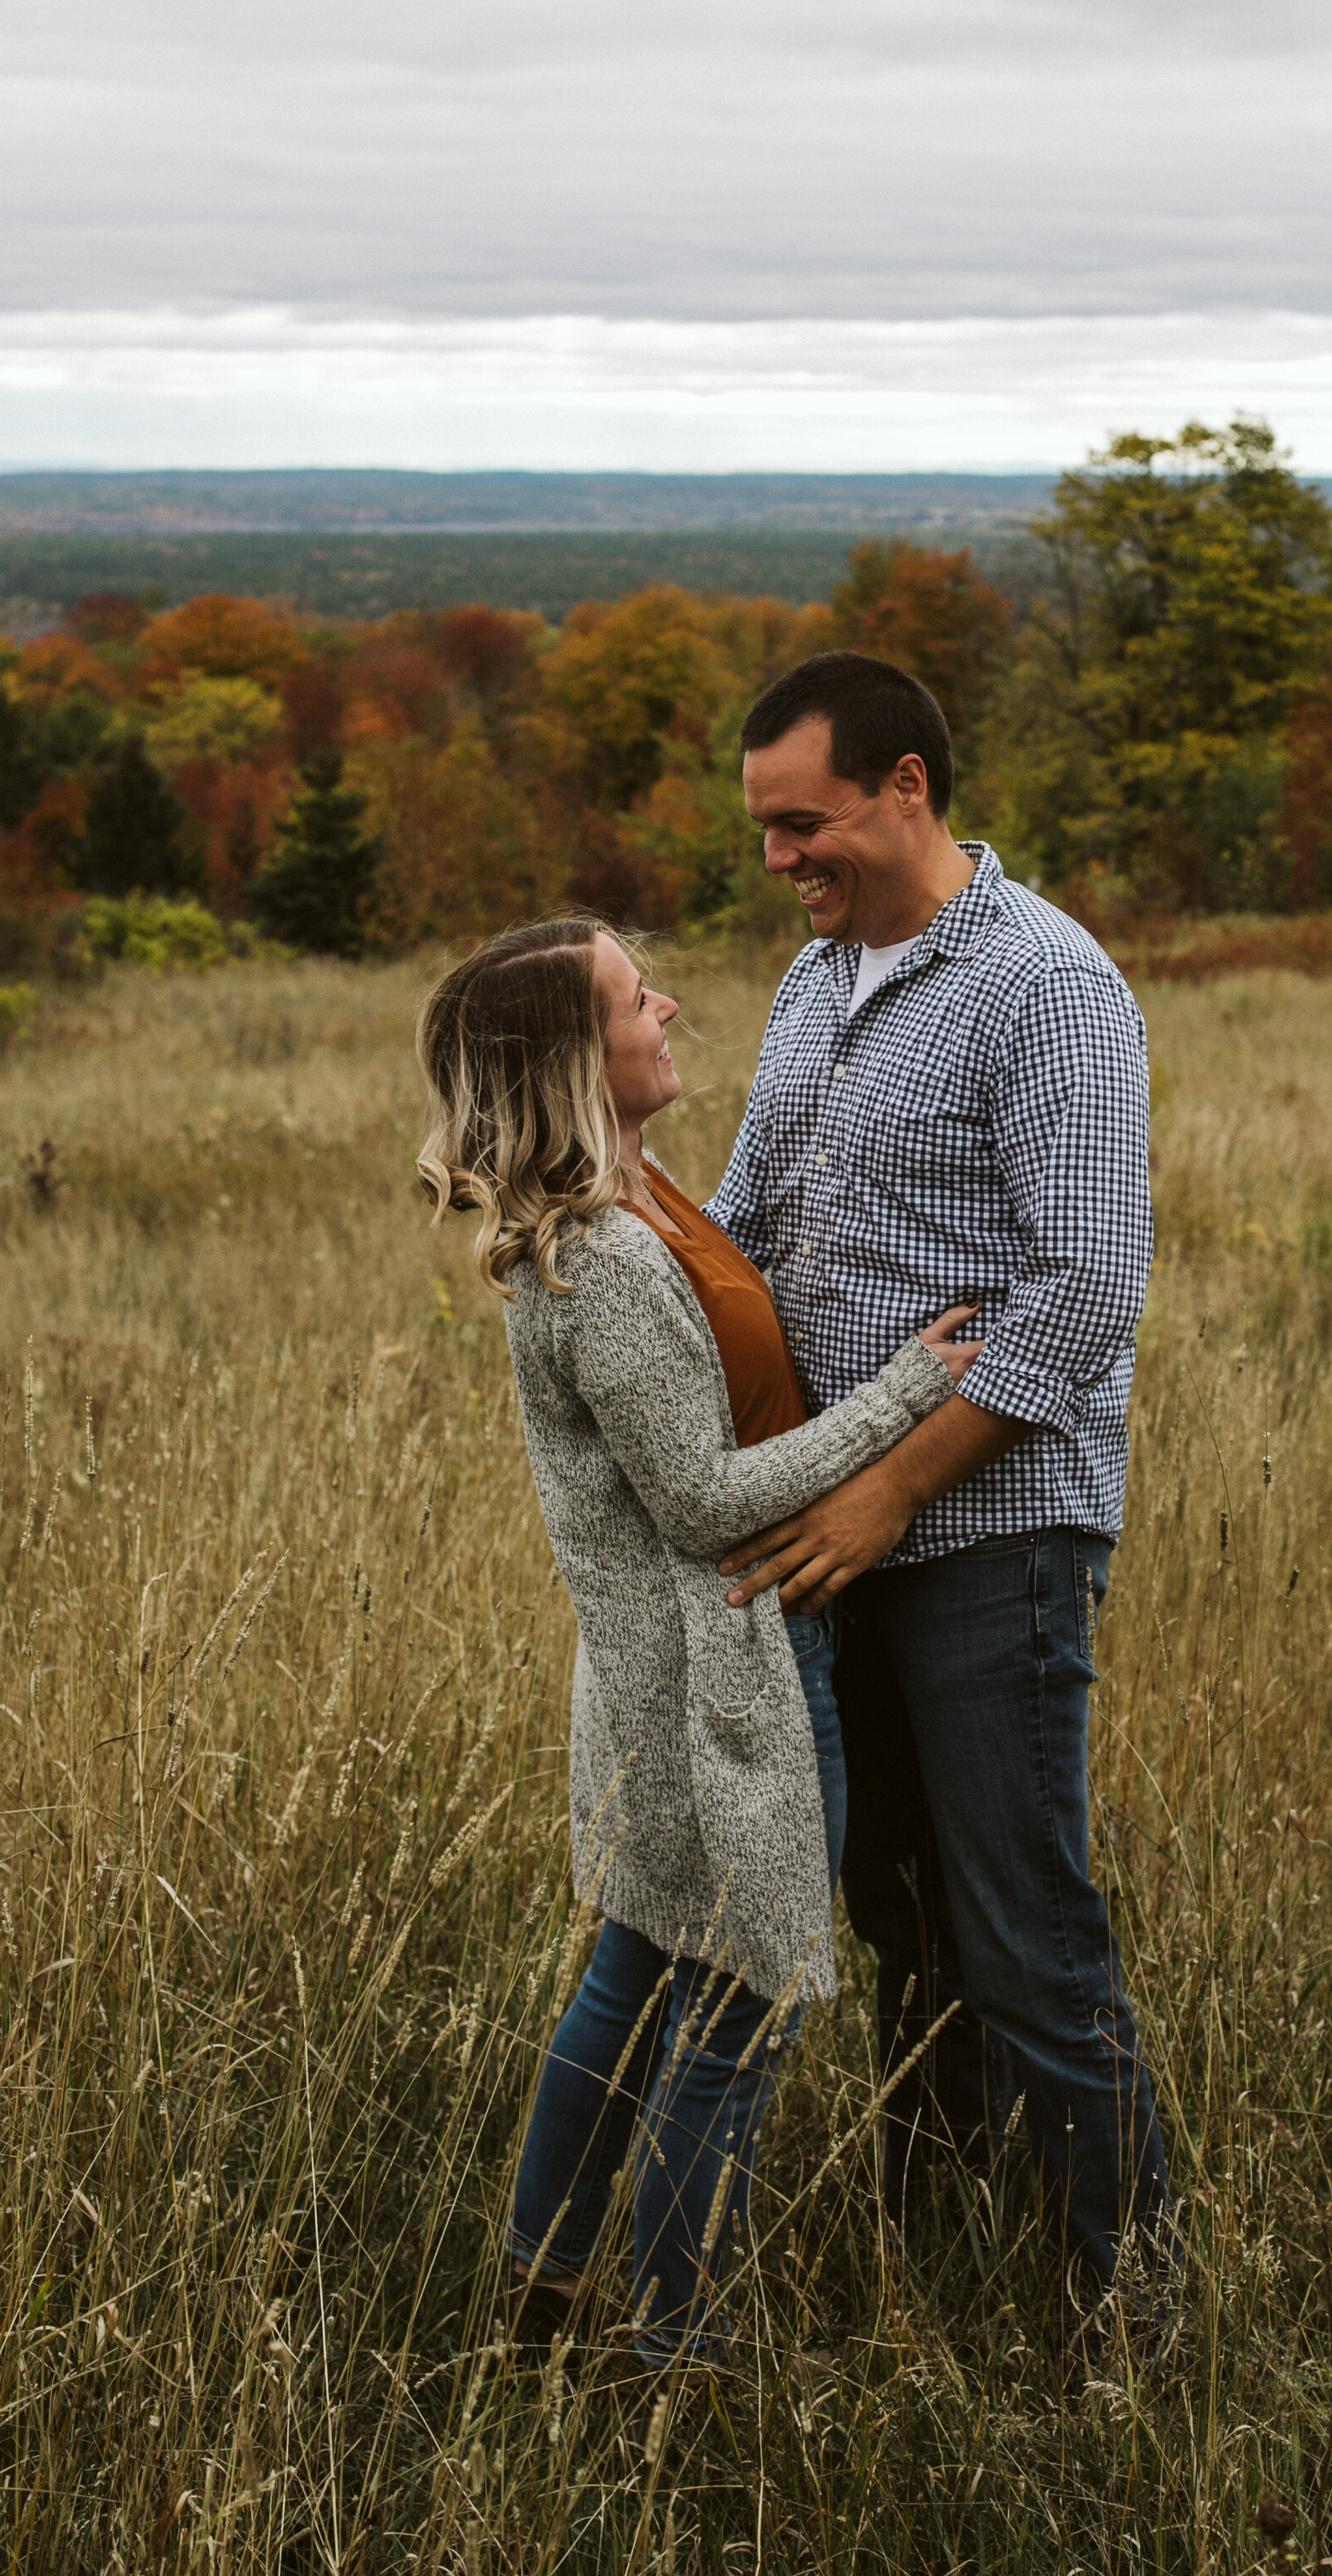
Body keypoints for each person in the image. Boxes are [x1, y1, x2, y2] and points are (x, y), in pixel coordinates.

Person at [413, 916, 981, 2370]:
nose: (668, 1002)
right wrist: (913, 1388)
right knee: (746, 1999)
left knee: (643, 1973)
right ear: (570, 1056)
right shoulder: (597, 1254)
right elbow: (703, 1496)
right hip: (715, 1680)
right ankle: (672, 2342)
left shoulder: (643, 1195)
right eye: (631, 994)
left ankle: (545, 2296)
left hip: (691, 1667)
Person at [708, 649, 1179, 2363]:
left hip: (984, 1530)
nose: (781, 862)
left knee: (1022, 1928)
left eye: (803, 824)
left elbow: (1081, 1292)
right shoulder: (813, 978)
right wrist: (600, 1239)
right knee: (901, 1922)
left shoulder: (1047, 987)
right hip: (838, 1527)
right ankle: (948, 2264)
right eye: (764, 831)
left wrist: (887, 1494)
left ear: (907, 787)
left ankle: (1128, 2319)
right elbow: (750, 1217)